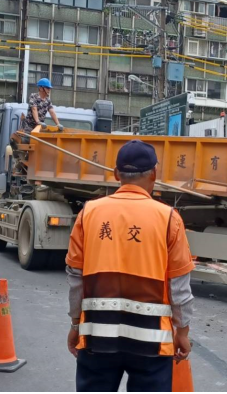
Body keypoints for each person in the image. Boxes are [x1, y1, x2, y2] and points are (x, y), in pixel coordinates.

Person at [65, 140, 195, 392]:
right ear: (154, 174)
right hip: (152, 343)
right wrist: (183, 332)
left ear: (116, 174)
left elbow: (75, 278)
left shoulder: (89, 213)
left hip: (96, 337)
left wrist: (74, 325)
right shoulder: (168, 218)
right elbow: (179, 286)